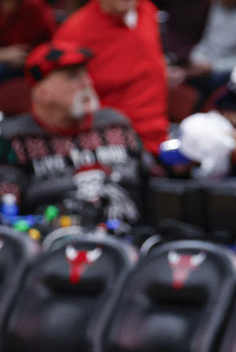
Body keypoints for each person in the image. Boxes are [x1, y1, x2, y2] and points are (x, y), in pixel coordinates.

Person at [0, 42, 146, 226]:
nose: (87, 82)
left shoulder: (116, 124)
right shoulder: (15, 138)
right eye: (72, 77)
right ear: (42, 92)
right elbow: (7, 210)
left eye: (85, 74)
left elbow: (154, 177)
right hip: (52, 245)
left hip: (129, 239)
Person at [56, 0, 169, 153]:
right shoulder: (72, 32)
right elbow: (63, 105)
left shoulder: (148, 12)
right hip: (109, 146)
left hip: (159, 141)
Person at [0, 0, 56, 79]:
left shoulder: (32, 2)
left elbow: (52, 39)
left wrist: (31, 56)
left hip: (33, 63)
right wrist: (4, 54)